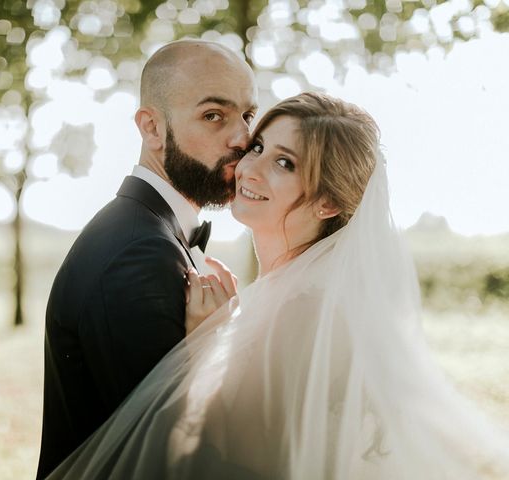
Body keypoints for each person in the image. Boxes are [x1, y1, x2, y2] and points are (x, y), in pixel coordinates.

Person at [45, 92, 509, 479]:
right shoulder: (292, 294)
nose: (250, 168)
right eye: (259, 146)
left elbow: (226, 465)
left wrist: (204, 345)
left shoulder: (304, 311)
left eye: (285, 163)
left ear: (328, 202)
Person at [35, 40, 258, 479]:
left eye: (248, 115)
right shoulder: (139, 254)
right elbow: (164, 457)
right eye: (214, 115)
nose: (243, 139)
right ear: (152, 128)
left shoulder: (146, 232)